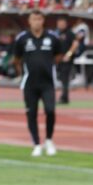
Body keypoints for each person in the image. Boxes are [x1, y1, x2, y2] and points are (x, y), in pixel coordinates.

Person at [13, 11, 65, 157]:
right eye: (34, 19)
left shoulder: (52, 37)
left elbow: (59, 55)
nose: (37, 22)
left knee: (50, 110)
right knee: (31, 113)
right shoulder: (22, 38)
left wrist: (48, 66)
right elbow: (16, 58)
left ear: (43, 21)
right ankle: (36, 143)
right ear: (29, 21)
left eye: (39, 19)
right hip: (30, 83)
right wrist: (21, 71)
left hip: (48, 82)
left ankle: (49, 140)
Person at [56, 17, 82, 104]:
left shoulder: (69, 33)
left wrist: (68, 55)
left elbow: (75, 44)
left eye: (62, 23)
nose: (60, 25)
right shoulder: (57, 33)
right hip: (58, 59)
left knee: (65, 79)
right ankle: (63, 96)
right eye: (59, 23)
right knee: (61, 78)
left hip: (66, 60)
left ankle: (64, 97)